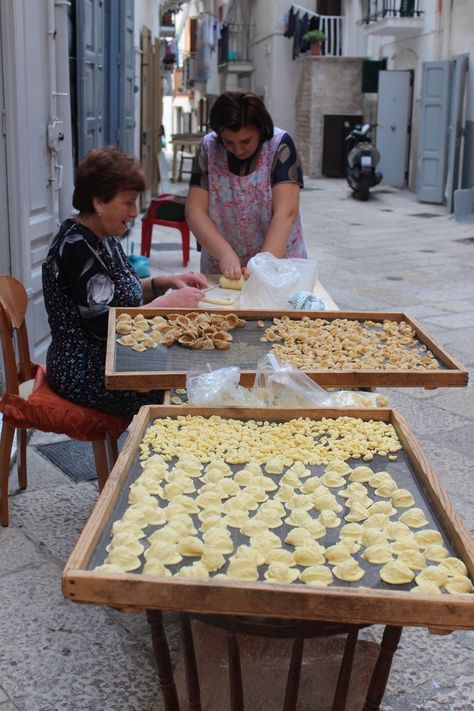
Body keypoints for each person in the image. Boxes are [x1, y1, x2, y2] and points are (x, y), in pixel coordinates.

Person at [42, 145, 207, 416]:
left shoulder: (103, 235)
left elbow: (119, 294)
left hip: (111, 357)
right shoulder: (77, 248)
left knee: (194, 362)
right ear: (99, 202)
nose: (133, 212)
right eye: (128, 203)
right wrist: (167, 304)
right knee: (184, 390)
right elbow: (104, 326)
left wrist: (163, 282)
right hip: (85, 368)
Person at [185, 90, 307, 279]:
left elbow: (285, 213)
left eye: (246, 141)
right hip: (223, 266)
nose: (238, 150)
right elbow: (195, 212)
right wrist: (224, 253)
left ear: (260, 129)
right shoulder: (208, 148)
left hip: (279, 263)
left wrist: (263, 265)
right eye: (228, 142)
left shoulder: (280, 145)